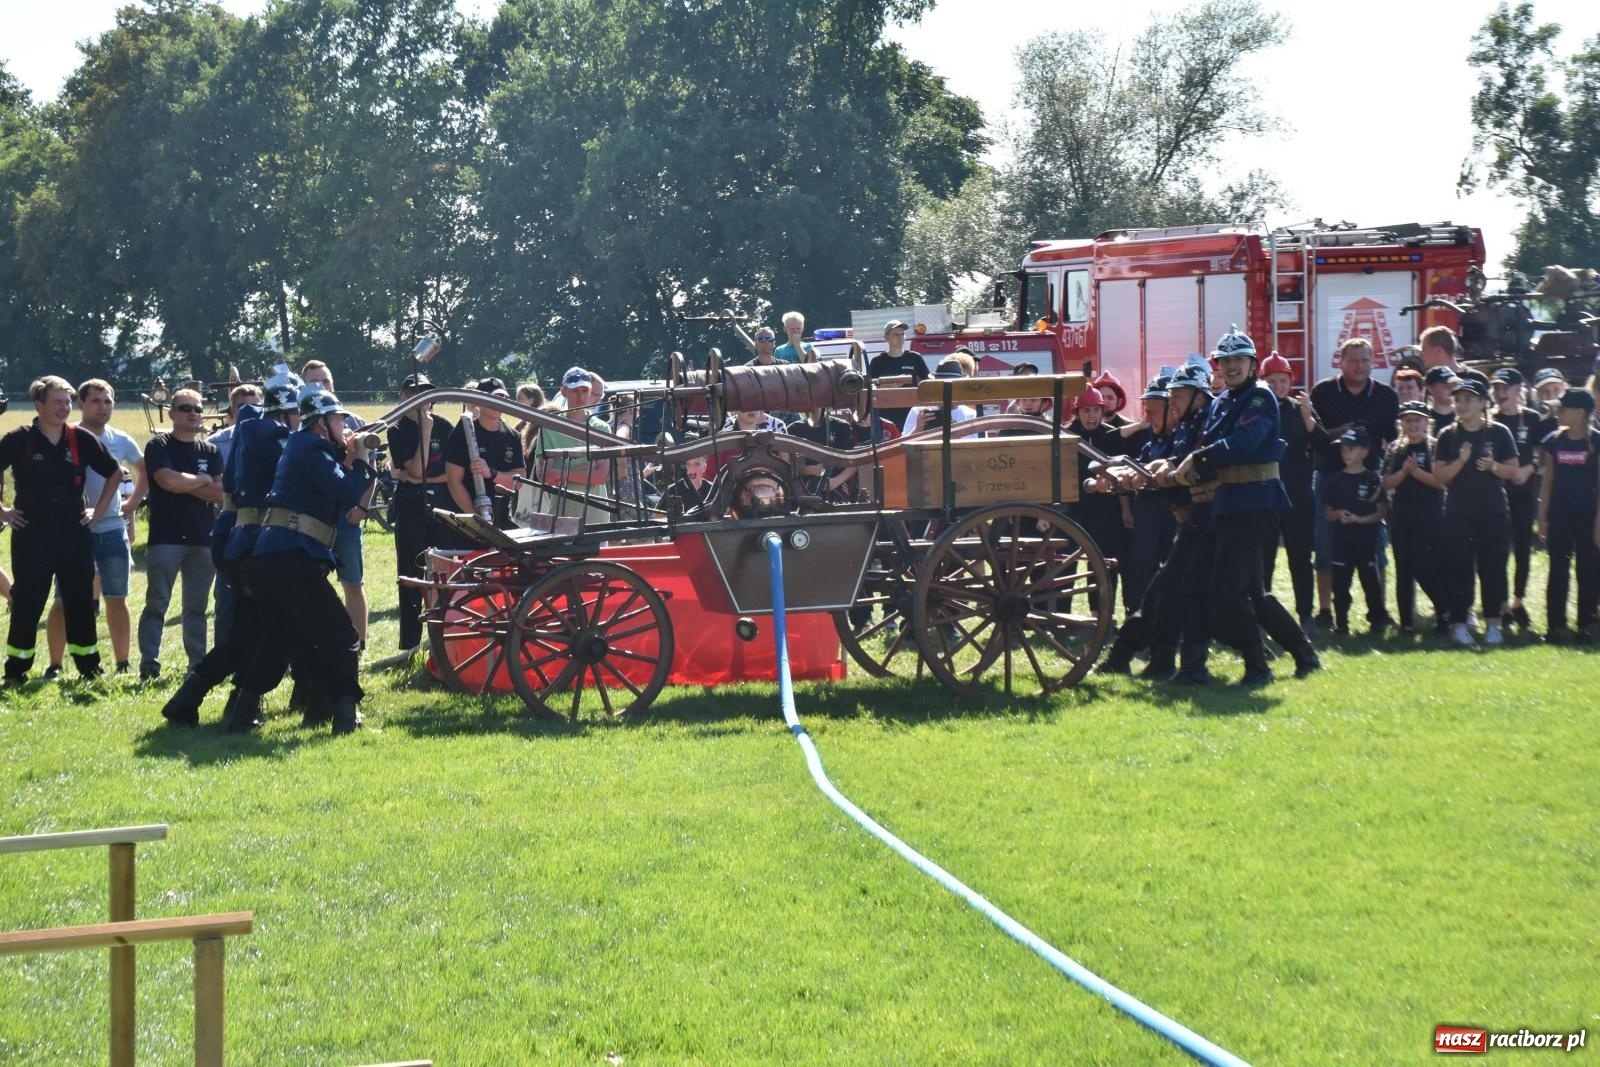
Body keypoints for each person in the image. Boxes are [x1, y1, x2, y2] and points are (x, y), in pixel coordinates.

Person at [1172, 328, 1314, 687]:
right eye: (1226, 361)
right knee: (1203, 583)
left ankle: (1258, 667)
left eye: (1239, 360)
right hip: (1225, 503)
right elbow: (1204, 442)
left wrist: (1199, 458)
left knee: (1230, 589)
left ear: (1252, 364)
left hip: (1255, 502)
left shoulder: (1259, 398)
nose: (1231, 367)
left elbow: (1244, 442)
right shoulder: (1222, 401)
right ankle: (1196, 667)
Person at [162, 368, 301, 730]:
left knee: (245, 635)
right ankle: (245, 703)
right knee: (277, 630)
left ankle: (190, 697)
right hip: (258, 544)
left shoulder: (252, 430)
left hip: (238, 539)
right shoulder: (271, 435)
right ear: (286, 412)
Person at [234, 387, 374, 734]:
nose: (344, 425)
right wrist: (358, 458)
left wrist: (351, 457)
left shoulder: (307, 447)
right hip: (291, 559)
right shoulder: (311, 446)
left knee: (281, 636)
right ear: (322, 423)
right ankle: (344, 717)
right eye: (339, 419)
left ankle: (243, 713)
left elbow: (340, 499)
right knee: (342, 634)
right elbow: (346, 492)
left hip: (276, 558)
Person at [0, 376, 123, 682]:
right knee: (28, 600)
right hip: (31, 533)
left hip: (74, 533)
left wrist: (99, 509)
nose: (64, 407)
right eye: (57, 402)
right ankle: (17, 668)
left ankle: (88, 666)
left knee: (80, 599)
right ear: (39, 405)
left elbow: (115, 473)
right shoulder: (19, 439)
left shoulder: (80, 439)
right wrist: (3, 512)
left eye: (67, 401)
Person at [44, 379, 146, 676]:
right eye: (96, 401)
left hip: (113, 531)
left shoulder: (122, 439)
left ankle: (122, 663)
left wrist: (132, 505)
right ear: (81, 404)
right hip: (75, 532)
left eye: (108, 401)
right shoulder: (66, 437)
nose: (103, 407)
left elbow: (144, 471)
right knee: (63, 599)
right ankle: (55, 664)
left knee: (117, 598)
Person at [1309, 337, 1398, 629]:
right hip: (1329, 479)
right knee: (1325, 546)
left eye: (1366, 360)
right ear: (1340, 361)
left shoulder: (1385, 396)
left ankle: (1380, 611)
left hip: (1369, 480)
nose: (1360, 366)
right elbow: (1316, 436)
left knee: (1375, 548)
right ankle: (1325, 611)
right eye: (1354, 360)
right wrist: (1341, 431)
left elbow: (1390, 441)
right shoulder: (1322, 392)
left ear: (1373, 362)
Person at [138, 388, 223, 681]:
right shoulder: (158, 445)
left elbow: (219, 492)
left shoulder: (210, 451)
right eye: (186, 408)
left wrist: (187, 483)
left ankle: (196, 665)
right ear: (172, 413)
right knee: (157, 603)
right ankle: (149, 664)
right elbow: (166, 480)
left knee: (196, 607)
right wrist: (201, 480)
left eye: (198, 409)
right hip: (166, 537)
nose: (193, 413)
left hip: (203, 538)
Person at [1434, 376, 1518, 646]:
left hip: (1492, 511)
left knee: (1492, 567)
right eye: (1458, 399)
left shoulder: (1499, 432)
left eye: (1469, 399)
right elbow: (1439, 477)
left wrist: (1493, 466)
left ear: (1483, 403)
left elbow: (1513, 471)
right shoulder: (1448, 435)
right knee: (1459, 568)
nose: (1461, 404)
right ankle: (1459, 624)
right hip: (1458, 512)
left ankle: (1493, 623)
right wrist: (1461, 460)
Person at [301, 361, 374, 649]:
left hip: (346, 517)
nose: (321, 387)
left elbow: (370, 473)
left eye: (326, 381)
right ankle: (313, 646)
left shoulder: (352, 422)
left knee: (352, 583)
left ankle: (358, 645)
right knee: (309, 586)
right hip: (313, 517)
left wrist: (361, 511)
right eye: (314, 382)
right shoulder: (302, 423)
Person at [388, 372, 454, 652]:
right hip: (411, 507)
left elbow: (451, 474)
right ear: (404, 397)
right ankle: (411, 643)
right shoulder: (397, 429)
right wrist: (425, 433)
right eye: (414, 393)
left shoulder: (446, 426)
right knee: (412, 573)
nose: (421, 399)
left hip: (441, 505)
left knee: (444, 571)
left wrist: (422, 478)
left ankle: (445, 636)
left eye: (426, 393)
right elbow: (416, 469)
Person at [1259, 352, 1324, 630]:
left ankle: (1306, 615)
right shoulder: (1257, 410)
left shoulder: (1300, 408)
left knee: (1300, 557)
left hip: (1298, 493)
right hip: (1266, 494)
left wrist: (1309, 418)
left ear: (1290, 381)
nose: (1278, 386)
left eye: (1283, 380)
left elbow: (1325, 445)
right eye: (1272, 381)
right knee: (1264, 558)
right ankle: (1262, 616)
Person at [200, 383, 262, 650]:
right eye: (242, 406)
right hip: (230, 527)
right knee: (226, 594)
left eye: (256, 406)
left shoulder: (275, 438)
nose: (250, 412)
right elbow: (208, 488)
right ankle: (225, 652)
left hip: (264, 527)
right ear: (231, 411)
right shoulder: (215, 445)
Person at [1536, 388, 1600, 642]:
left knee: (1587, 570)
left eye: (1563, 408)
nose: (1558, 412)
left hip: (1587, 516)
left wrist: (1598, 523)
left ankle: (1583, 625)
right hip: (1559, 515)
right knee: (1557, 569)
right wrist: (1541, 518)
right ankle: (1555, 625)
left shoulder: (1596, 442)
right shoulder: (1554, 440)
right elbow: (1548, 481)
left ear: (1581, 412)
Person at [1380, 402, 1446, 634]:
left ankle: (1443, 611)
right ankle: (1406, 622)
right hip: (1402, 515)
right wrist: (1404, 472)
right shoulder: (1396, 449)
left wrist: (1416, 472)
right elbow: (1386, 483)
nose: (1413, 425)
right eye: (1408, 420)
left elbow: (1440, 482)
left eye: (1417, 420)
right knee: (1403, 569)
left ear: (1427, 423)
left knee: (1427, 566)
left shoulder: (1436, 447)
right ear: (1402, 424)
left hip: (1430, 515)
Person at [521, 369, 609, 529]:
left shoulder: (602, 428)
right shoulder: (549, 427)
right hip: (560, 516)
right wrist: (587, 467)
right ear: (563, 391)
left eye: (585, 391)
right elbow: (546, 477)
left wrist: (560, 472)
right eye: (575, 391)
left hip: (596, 515)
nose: (581, 397)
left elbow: (600, 476)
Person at [1322, 428, 1388, 634]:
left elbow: (1382, 511)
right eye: (1343, 448)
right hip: (1342, 542)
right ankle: (1341, 622)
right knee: (1340, 585)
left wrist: (1361, 519)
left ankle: (1377, 619)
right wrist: (1338, 514)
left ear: (1364, 452)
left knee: (1371, 584)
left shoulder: (1372, 479)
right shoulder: (1334, 481)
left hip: (1366, 542)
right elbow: (1327, 512)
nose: (1346, 453)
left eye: (1351, 448)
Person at [1490, 368, 1540, 630]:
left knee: (1522, 549)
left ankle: (1518, 600)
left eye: (1505, 388)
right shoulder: (1490, 421)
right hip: (1498, 494)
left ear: (1518, 389)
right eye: (1496, 388)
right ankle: (1502, 604)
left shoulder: (1531, 418)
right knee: (1499, 551)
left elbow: (1541, 453)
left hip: (1525, 493)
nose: (1500, 393)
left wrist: (1528, 469)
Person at [867, 320, 928, 428]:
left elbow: (928, 383)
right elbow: (869, 388)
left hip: (912, 414)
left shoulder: (915, 358)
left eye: (902, 334)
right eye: (896, 334)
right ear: (886, 337)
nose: (900, 337)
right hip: (885, 416)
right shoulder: (877, 361)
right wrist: (890, 386)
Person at [903, 359, 975, 436]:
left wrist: (956, 432)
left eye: (952, 386)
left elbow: (976, 446)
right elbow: (902, 446)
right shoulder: (918, 412)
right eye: (940, 385)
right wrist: (918, 428)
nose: (946, 390)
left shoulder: (970, 415)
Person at [1423, 366, 1459, 434]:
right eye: (1446, 385)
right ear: (1430, 388)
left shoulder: (1464, 415)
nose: (1452, 389)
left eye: (1454, 384)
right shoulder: (1423, 419)